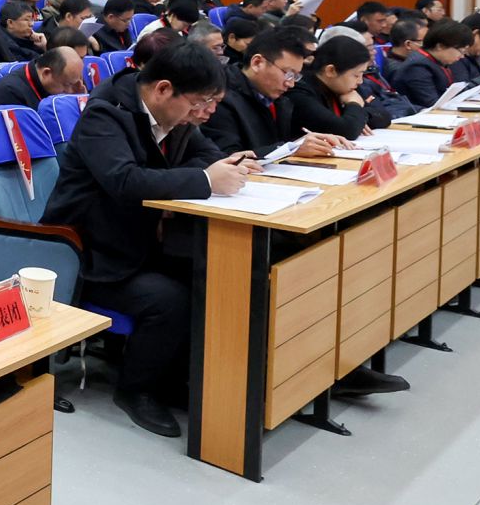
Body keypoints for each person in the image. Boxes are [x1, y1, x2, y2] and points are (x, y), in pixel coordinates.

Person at [43, 41, 255, 436]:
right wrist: (204, 181)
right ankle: (136, 390)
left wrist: (208, 172)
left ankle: (177, 378)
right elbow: (125, 181)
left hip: (142, 240)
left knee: (212, 276)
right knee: (170, 299)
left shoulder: (176, 115)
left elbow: (207, 155)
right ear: (163, 89)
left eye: (211, 103)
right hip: (91, 253)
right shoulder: (105, 115)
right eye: (200, 102)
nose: (205, 112)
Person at [201, 27, 346, 163]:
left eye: (296, 76)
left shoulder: (278, 99)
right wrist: (291, 149)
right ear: (257, 63)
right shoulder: (220, 98)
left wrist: (307, 142)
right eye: (288, 74)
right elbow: (228, 157)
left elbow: (278, 144)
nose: (291, 84)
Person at [289, 35, 388, 140]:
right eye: (356, 75)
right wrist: (354, 105)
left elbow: (384, 116)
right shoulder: (300, 92)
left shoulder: (343, 86)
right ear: (331, 71)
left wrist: (356, 116)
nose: (360, 81)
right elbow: (346, 131)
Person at [393, 19, 474, 107]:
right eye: (461, 51)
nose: (462, 56)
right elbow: (432, 104)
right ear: (440, 46)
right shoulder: (417, 67)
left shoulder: (436, 61)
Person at [0, 45, 84, 110]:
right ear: (46, 73)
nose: (69, 91)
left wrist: (78, 101)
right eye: (67, 85)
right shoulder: (10, 93)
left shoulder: (45, 85)